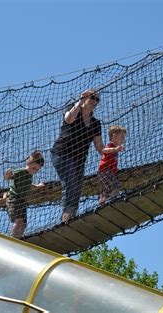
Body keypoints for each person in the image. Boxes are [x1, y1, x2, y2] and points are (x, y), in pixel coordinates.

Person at [51, 89, 104, 223]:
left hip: (79, 159)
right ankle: (66, 217)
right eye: (92, 97)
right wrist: (80, 101)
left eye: (97, 99)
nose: (94, 101)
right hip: (62, 154)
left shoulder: (95, 123)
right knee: (70, 183)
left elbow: (99, 147)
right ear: (84, 98)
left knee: (77, 186)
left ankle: (70, 216)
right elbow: (68, 119)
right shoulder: (73, 111)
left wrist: (113, 149)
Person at [4, 150, 45, 239]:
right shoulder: (21, 171)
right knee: (18, 221)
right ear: (28, 163)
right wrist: (8, 174)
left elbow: (29, 186)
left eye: (37, 170)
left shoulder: (30, 175)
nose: (34, 171)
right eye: (34, 168)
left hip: (22, 201)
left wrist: (38, 186)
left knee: (24, 224)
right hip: (14, 199)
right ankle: (12, 238)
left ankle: (17, 238)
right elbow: (7, 178)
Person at [98, 125, 126, 206]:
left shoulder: (115, 149)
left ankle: (101, 203)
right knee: (116, 186)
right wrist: (115, 149)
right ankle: (112, 200)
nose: (123, 140)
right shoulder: (111, 146)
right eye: (122, 137)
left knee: (105, 193)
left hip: (109, 172)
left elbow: (112, 161)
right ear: (114, 136)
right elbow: (104, 150)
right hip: (104, 172)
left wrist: (115, 168)